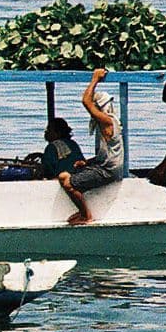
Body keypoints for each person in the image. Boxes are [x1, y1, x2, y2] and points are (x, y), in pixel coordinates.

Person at [58, 68, 124, 225]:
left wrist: (95, 79)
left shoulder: (108, 121)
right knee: (63, 175)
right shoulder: (105, 124)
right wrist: (87, 163)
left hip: (108, 171)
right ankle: (82, 212)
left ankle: (86, 215)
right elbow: (108, 154)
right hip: (105, 166)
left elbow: (86, 102)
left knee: (69, 183)